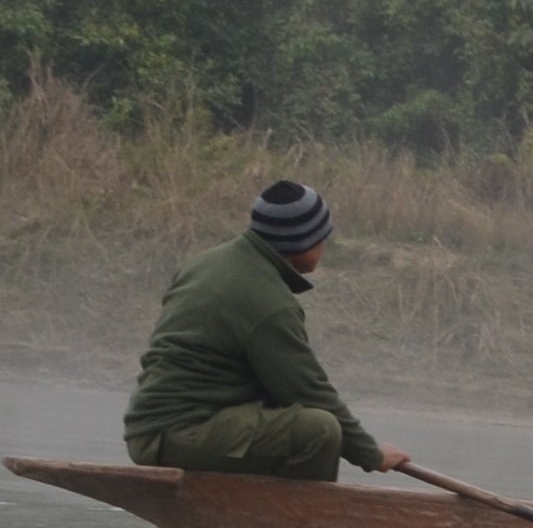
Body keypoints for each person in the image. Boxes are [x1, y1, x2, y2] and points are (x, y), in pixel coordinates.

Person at [122, 178, 416, 485]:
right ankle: (297, 527)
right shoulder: (269, 302)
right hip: (179, 433)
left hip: (157, 429)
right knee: (319, 430)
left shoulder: (207, 263)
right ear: (300, 242)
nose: (324, 247)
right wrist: (371, 454)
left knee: (293, 417)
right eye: (322, 238)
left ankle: (251, 515)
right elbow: (309, 391)